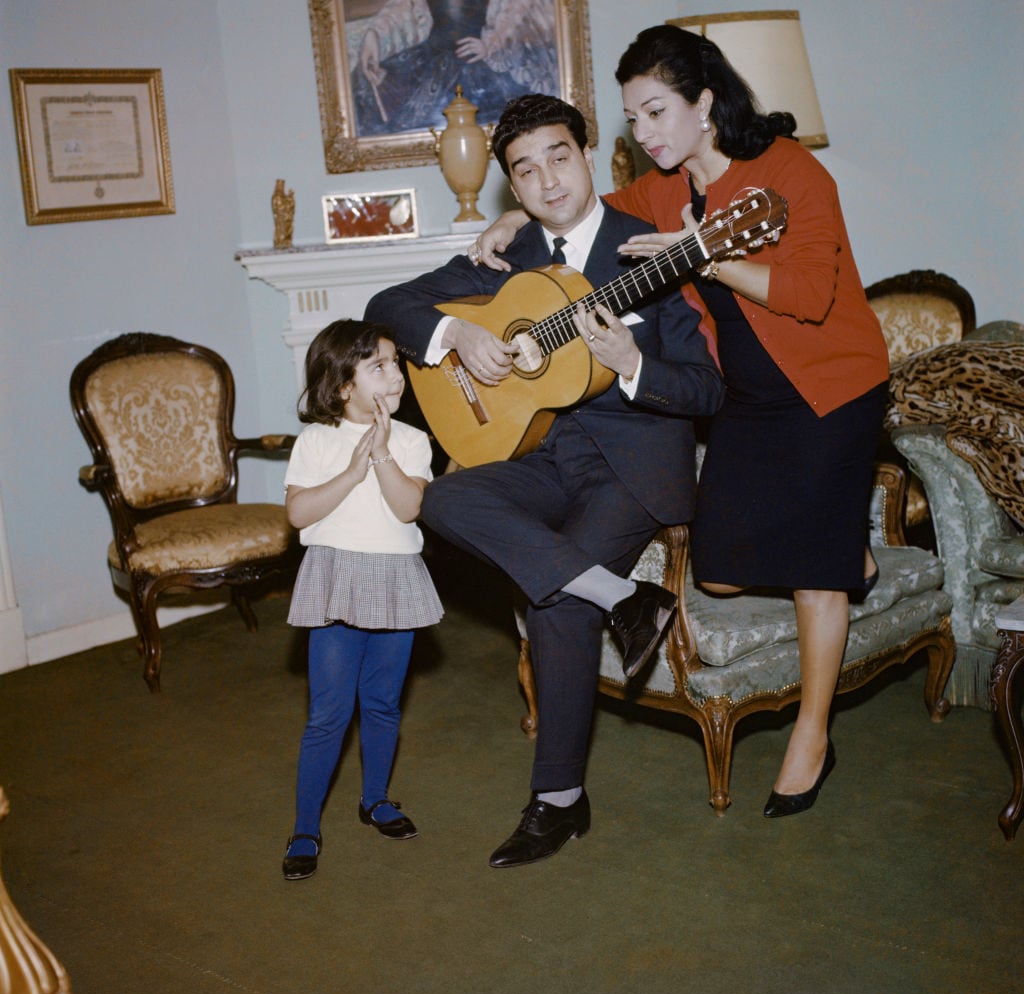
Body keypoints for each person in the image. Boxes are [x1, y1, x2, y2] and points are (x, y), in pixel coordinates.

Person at [474, 25, 890, 819]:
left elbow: (807, 294)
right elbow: (590, 208)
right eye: (634, 120)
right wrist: (510, 226)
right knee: (719, 567)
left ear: (705, 103)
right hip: (747, 398)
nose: (646, 134)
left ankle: (812, 735)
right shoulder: (663, 188)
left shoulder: (789, 171)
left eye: (658, 112)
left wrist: (703, 254)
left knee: (812, 573)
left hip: (828, 387)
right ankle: (847, 552)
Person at [366, 93, 723, 868]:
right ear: (511, 186)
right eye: (525, 170)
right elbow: (385, 306)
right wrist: (456, 330)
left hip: (629, 468)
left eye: (560, 157)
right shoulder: (508, 255)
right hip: (534, 457)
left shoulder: (649, 251)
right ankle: (624, 600)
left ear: (587, 155)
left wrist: (633, 366)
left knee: (552, 596)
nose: (547, 180)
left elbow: (707, 389)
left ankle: (557, 799)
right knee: (445, 497)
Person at [281, 320, 444, 881]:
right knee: (329, 713)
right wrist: (352, 468)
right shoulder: (316, 440)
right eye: (379, 366)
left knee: (381, 703)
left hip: (397, 578)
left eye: (396, 363)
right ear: (342, 383)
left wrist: (380, 457)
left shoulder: (413, 440)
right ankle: (305, 826)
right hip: (335, 579)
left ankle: (375, 798)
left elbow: (407, 509)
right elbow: (299, 514)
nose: (396, 375)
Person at [353, 0, 557, 135]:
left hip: (472, 61)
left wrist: (490, 43)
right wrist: (374, 34)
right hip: (430, 56)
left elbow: (516, 11)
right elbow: (401, 8)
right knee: (366, 84)